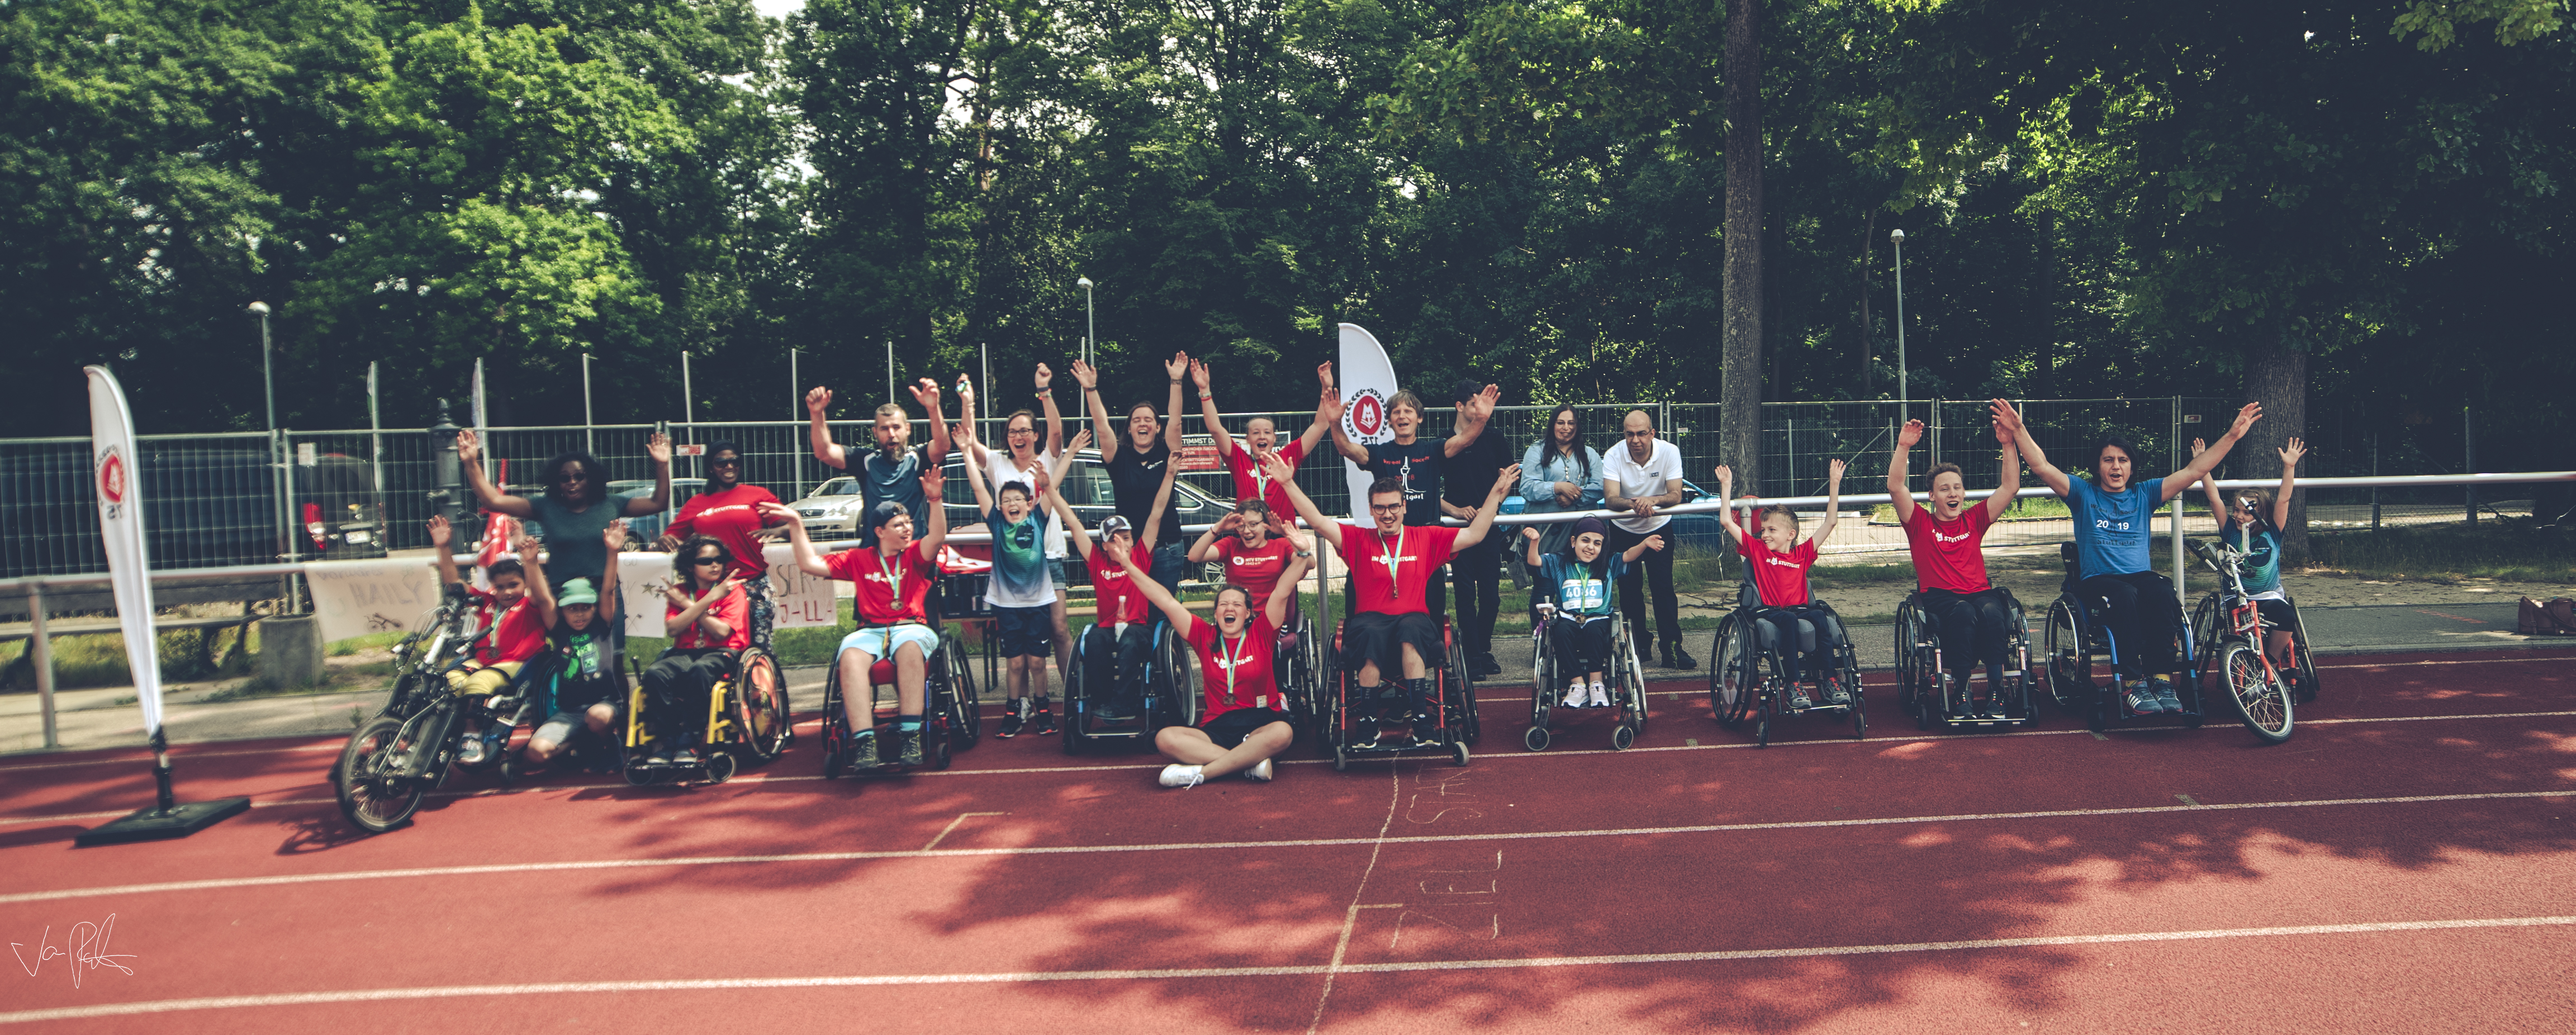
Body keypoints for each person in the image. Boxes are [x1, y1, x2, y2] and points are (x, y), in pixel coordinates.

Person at [2001, 397, 2264, 716]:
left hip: (2138, 577)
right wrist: (2019, 430)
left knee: (2164, 590)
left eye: (2123, 460)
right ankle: (2133, 682)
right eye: (2108, 460)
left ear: (2131, 466)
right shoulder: (2084, 494)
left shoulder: (2145, 494)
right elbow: (2042, 466)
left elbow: (2197, 469)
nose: (2116, 467)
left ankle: (2162, 679)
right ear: (2097, 466)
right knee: (2126, 595)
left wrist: (2233, 435)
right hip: (2098, 581)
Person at [1270, 451, 1519, 747]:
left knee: (1410, 631)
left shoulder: (1427, 537)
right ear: (1372, 510)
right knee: (1371, 633)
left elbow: (1476, 534)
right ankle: (1368, 722)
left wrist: (1496, 494)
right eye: (1380, 509)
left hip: (1413, 619)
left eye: (1392, 507)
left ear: (1403, 507)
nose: (1387, 514)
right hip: (1370, 621)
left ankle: (1421, 721)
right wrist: (1287, 483)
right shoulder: (1358, 539)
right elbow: (1318, 522)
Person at [768, 466, 950, 768]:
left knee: (908, 650)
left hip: (912, 628)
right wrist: (796, 524)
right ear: (879, 532)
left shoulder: (916, 554)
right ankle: (864, 743)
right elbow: (808, 564)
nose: (907, 529)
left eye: (908, 523)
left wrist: (935, 501)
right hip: (870, 630)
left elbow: (938, 535)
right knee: (850, 657)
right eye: (898, 525)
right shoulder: (858, 558)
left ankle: (910, 736)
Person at [1112, 540, 1309, 788]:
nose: (1230, 608)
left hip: (1260, 726)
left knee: (1283, 732)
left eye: (1237, 604)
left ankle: (1203, 773)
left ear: (1248, 613)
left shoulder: (1263, 632)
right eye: (1223, 604)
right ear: (1215, 614)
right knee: (1166, 738)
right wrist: (1128, 565)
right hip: (1216, 730)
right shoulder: (1204, 636)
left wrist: (1302, 553)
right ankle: (1248, 765)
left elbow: (1282, 591)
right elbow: (1166, 601)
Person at [1325, 371, 1501, 616]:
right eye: (1396, 412)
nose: (1402, 416)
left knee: (1433, 611)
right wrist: (1335, 423)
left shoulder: (1433, 450)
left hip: (1425, 542)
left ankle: (1434, 650)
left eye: (1408, 411)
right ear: (1389, 421)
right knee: (1359, 587)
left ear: (1419, 418)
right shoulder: (1379, 453)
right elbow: (1346, 448)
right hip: (1389, 541)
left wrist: (1480, 419)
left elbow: (1464, 441)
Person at [1887, 412, 2024, 716]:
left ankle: (1997, 691)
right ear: (1932, 496)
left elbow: (2010, 487)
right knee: (1962, 612)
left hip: (1979, 592)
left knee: (1992, 611)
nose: (1953, 493)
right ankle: (1961, 691)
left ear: (1964, 493)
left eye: (1957, 488)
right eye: (1945, 488)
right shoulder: (1920, 522)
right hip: (1940, 596)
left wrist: (2008, 443)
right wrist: (1904, 447)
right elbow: (1896, 488)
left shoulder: (1974, 519)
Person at [955, 364, 1078, 683]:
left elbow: (1057, 432)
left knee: (1060, 629)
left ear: (1035, 435)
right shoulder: (997, 464)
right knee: (1020, 643)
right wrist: (968, 403)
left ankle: (1074, 694)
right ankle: (1021, 703)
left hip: (1048, 558)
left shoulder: (1047, 460)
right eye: (1012, 432)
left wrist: (1044, 391)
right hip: (1012, 564)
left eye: (1025, 431)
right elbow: (969, 441)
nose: (1018, 436)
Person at [962, 421, 1081, 739]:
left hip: (1038, 603)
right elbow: (978, 488)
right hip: (1007, 605)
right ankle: (1013, 709)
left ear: (1030, 502)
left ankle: (1044, 708)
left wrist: (1070, 454)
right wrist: (964, 450)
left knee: (1038, 663)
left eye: (1019, 499)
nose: (1013, 505)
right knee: (1015, 664)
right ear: (1000, 506)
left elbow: (1052, 485)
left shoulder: (1039, 519)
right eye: (1007, 500)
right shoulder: (997, 523)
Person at [455, 430, 672, 595]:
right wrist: (470, 462)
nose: (572, 482)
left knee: (609, 654)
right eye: (564, 478)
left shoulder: (611, 504)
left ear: (591, 478)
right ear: (556, 482)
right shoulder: (545, 506)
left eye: (579, 476)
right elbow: (493, 501)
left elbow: (658, 503)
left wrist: (662, 465)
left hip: (605, 592)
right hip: (562, 593)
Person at [1055, 434, 1176, 724]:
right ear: (1105, 545)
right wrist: (1049, 489)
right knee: (1095, 640)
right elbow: (1072, 522)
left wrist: (1170, 474)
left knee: (1133, 640)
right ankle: (1102, 700)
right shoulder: (1097, 561)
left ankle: (1125, 702)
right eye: (1115, 539)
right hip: (1108, 627)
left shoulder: (1140, 556)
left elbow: (1157, 514)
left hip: (1137, 628)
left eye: (1127, 537)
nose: (1122, 542)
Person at [1714, 461, 1849, 709]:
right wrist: (1726, 486)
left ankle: (1831, 679)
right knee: (1789, 621)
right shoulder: (1758, 551)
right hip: (1771, 610)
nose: (1764, 534)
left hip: (1798, 608)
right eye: (1763, 529)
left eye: (1771, 529)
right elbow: (1726, 521)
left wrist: (1835, 483)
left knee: (1819, 616)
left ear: (1791, 534)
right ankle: (1793, 684)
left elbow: (1830, 522)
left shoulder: (1802, 554)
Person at [425, 515, 551, 766]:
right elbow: (454, 585)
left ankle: (471, 735)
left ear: (524, 584)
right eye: (500, 587)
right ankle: (441, 735)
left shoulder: (531, 604)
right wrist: (443, 547)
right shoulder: (488, 602)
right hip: (482, 661)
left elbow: (540, 592)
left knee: (479, 681)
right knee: (448, 679)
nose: (506, 592)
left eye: (513, 585)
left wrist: (529, 559)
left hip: (517, 664)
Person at [1073, 354, 1190, 596]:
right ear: (1129, 427)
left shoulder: (1167, 453)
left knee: (1164, 614)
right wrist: (1091, 389)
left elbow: (1176, 422)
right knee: (1136, 615)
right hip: (1131, 551)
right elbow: (1102, 427)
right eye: (1136, 420)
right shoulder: (1119, 459)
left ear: (1157, 427)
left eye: (1149, 420)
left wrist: (1176, 382)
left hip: (1168, 548)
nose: (1143, 424)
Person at [519, 521, 629, 772]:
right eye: (572, 609)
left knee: (598, 718)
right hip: (570, 712)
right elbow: (545, 599)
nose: (579, 615)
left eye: (585, 608)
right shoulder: (559, 630)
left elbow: (609, 591)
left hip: (605, 705)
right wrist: (531, 562)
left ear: (593, 608)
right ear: (563, 610)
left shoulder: (602, 625)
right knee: (536, 754)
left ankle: (608, 742)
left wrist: (612, 552)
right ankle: (583, 741)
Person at [1521, 517, 1664, 709]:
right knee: (1560, 632)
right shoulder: (1558, 562)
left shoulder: (1609, 563)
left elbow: (1629, 555)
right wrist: (1535, 541)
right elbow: (1534, 560)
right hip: (1568, 619)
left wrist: (1644, 544)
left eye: (1597, 543)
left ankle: (1597, 684)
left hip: (1598, 620)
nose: (1590, 547)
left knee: (1595, 630)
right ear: (1573, 542)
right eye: (1585, 540)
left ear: (1603, 547)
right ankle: (1578, 684)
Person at [1190, 358, 1338, 542]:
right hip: (1249, 537)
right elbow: (1215, 429)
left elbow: (1319, 426)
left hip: (1283, 537)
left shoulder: (1287, 457)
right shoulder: (1239, 460)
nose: (1262, 437)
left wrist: (1327, 388)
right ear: (1248, 439)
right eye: (1256, 433)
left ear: (1274, 438)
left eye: (1267, 432)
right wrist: (1205, 391)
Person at [653, 440, 782, 650]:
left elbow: (790, 525)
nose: (729, 466)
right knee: (719, 647)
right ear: (711, 468)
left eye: (734, 461)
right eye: (721, 462)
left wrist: (775, 531)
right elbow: (673, 536)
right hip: (713, 591)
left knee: (759, 649)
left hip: (753, 583)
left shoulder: (757, 495)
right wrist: (663, 539)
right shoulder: (696, 503)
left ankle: (763, 682)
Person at [2196, 435, 2307, 670]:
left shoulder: (2272, 532)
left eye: (2246, 512)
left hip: (2267, 596)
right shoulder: (2230, 532)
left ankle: (2271, 664)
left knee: (2287, 617)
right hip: (2237, 599)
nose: (2239, 516)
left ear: (2261, 514)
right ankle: (2242, 664)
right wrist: (2203, 466)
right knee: (2238, 632)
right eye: (2236, 510)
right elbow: (2214, 498)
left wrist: (2289, 467)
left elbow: (2284, 499)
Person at [638, 536, 748, 767]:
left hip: (723, 652)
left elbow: (720, 631)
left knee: (701, 670)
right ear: (690, 566)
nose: (715, 565)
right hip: (685, 652)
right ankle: (668, 740)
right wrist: (707, 600)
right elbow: (673, 628)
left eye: (719, 559)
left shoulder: (732, 590)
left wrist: (687, 605)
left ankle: (690, 739)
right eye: (707, 560)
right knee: (655, 673)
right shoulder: (680, 590)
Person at [807, 379, 952, 548]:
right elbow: (824, 452)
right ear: (875, 432)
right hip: (875, 555)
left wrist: (933, 409)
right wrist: (817, 414)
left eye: (896, 427)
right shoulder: (866, 461)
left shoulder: (917, 459)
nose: (892, 434)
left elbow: (942, 446)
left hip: (913, 553)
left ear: (908, 429)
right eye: (885, 429)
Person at [1602, 410, 1695, 669]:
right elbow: (1611, 499)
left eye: (1642, 433)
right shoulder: (1612, 455)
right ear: (1624, 434)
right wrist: (1635, 504)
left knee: (1663, 589)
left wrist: (1651, 501)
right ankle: (1639, 646)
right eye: (1630, 434)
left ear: (1652, 433)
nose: (1636, 440)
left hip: (1658, 526)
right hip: (1623, 529)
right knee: (1630, 592)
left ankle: (1672, 650)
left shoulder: (1669, 451)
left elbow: (1675, 494)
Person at [1440, 378, 1516, 678]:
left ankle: (1483, 648)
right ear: (1460, 406)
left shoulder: (1494, 437)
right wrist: (1455, 510)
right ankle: (1471, 654)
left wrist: (1492, 507)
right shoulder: (1445, 442)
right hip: (1458, 532)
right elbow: (1431, 491)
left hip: (1489, 528)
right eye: (1474, 403)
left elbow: (1508, 479)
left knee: (1491, 595)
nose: (1481, 408)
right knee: (1463, 595)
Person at [1188, 501, 1303, 628]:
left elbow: (1308, 562)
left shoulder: (1281, 545)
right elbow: (1194, 556)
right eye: (1241, 526)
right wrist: (1218, 529)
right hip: (1238, 620)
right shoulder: (1231, 545)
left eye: (1253, 525)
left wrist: (1287, 534)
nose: (1246, 531)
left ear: (1265, 525)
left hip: (1272, 621)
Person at [1520, 404, 1606, 558]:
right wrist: (1557, 487)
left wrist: (1573, 498)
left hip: (1581, 534)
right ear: (1553, 424)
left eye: (1571, 423)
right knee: (1546, 578)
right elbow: (1527, 487)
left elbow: (1599, 487)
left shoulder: (1590, 454)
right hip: (1545, 533)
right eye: (1561, 423)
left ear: (1577, 426)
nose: (1566, 427)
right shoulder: (1536, 450)